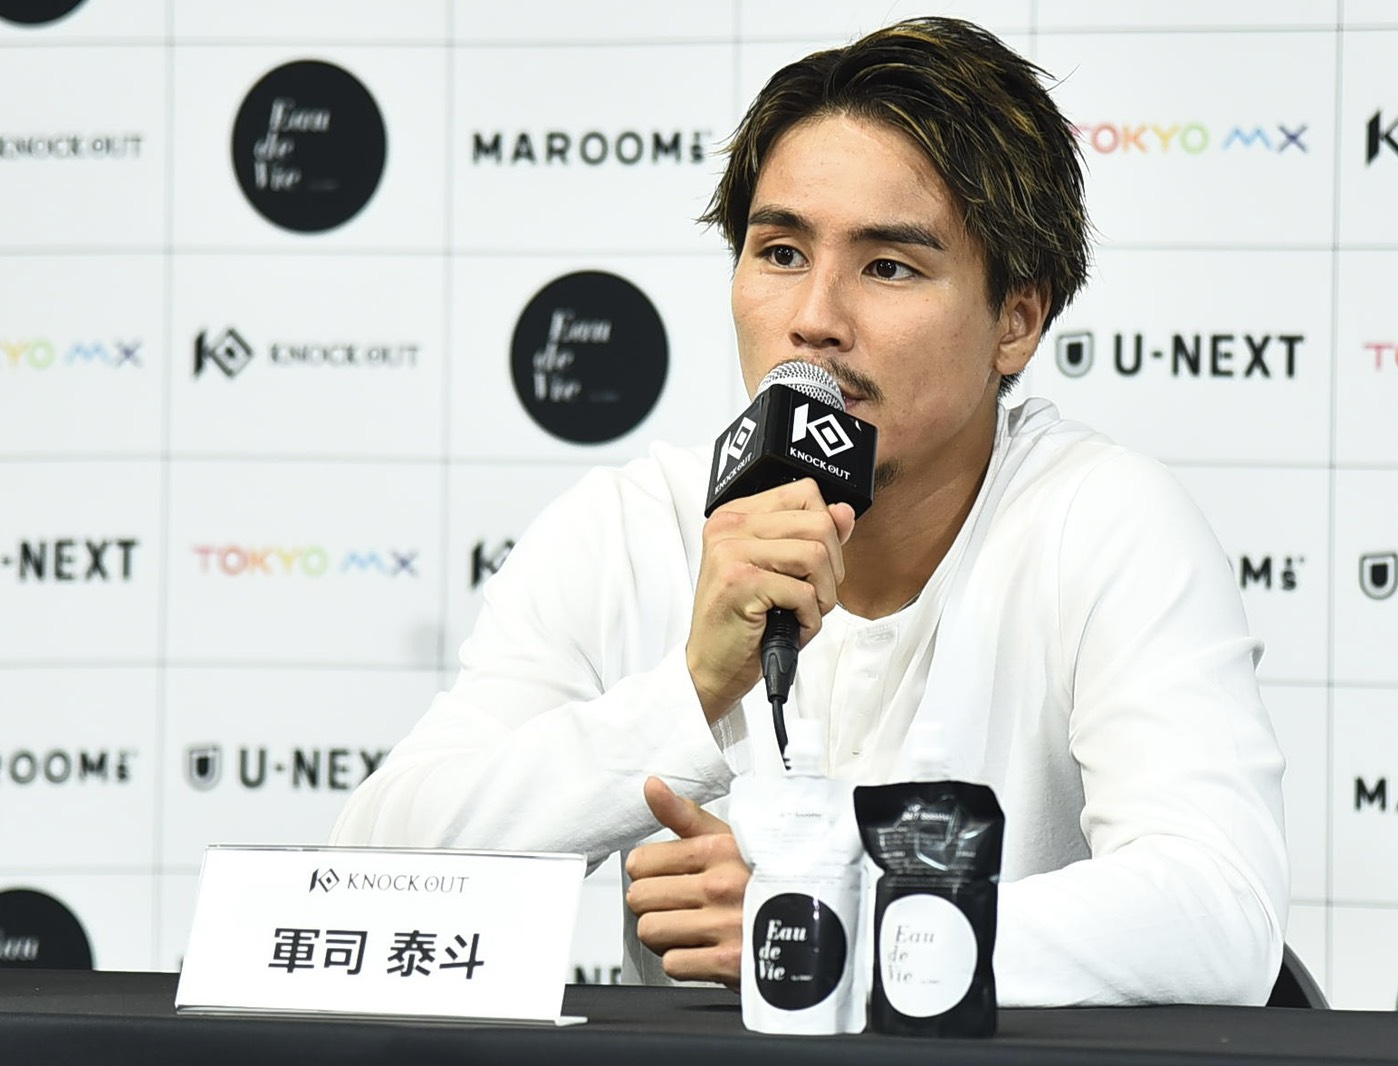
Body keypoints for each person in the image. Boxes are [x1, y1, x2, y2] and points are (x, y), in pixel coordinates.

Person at [331, 16, 1289, 1006]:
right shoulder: (627, 527)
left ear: (1017, 318)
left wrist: (827, 924)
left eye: (888, 266)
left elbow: (1219, 914)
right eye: (782, 252)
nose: (815, 319)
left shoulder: (1101, 520)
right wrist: (690, 688)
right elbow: (369, 878)